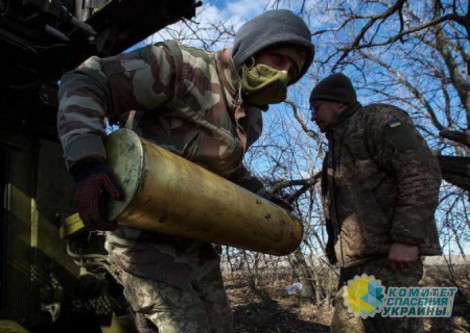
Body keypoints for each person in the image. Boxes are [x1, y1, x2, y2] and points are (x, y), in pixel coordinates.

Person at [57, 9, 314, 333]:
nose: (284, 73)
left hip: (196, 244)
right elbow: (86, 81)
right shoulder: (183, 66)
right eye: (279, 58)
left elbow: (227, 170)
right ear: (251, 48)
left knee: (220, 326)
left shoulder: (252, 119)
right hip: (141, 239)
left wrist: (265, 199)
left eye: (292, 69)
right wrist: (87, 162)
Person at [309, 73, 442, 333]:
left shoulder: (376, 119)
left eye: (316, 107)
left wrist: (406, 238)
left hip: (393, 263)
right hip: (357, 270)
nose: (313, 116)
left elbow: (421, 169)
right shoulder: (337, 146)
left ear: (338, 103)